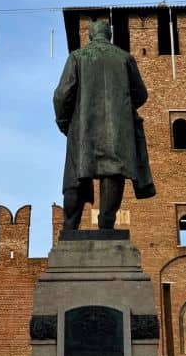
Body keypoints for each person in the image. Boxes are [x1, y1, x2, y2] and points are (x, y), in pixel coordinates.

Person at [53, 19, 155, 230]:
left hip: (82, 130)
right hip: (118, 130)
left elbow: (62, 95)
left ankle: (70, 227)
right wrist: (122, 109)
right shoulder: (125, 58)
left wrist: (65, 123)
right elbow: (142, 95)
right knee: (113, 172)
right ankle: (106, 225)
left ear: (91, 36)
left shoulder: (77, 57)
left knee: (75, 176)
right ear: (108, 35)